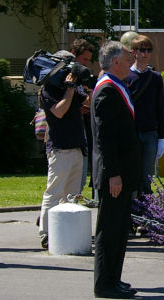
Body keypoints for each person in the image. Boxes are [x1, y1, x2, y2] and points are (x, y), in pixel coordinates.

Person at [91, 41, 141, 299]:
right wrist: (113, 173)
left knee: (120, 230)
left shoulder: (118, 86)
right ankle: (104, 283)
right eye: (126, 56)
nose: (132, 60)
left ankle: (114, 278)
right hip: (114, 174)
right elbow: (105, 138)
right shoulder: (107, 91)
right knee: (109, 230)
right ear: (115, 63)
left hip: (122, 171)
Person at [37, 51, 88, 249]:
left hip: (77, 146)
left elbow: (87, 101)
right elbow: (58, 111)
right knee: (55, 191)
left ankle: (68, 232)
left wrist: (83, 84)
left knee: (72, 194)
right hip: (59, 148)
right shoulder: (48, 88)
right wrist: (69, 89)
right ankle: (47, 233)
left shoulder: (72, 87)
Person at [124, 35, 164, 194]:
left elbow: (160, 108)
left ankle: (146, 212)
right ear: (134, 52)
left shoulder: (155, 77)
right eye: (142, 50)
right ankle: (132, 212)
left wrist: (161, 137)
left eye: (149, 50)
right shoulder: (127, 76)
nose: (145, 54)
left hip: (150, 132)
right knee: (131, 174)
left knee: (146, 177)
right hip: (131, 131)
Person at [70, 38, 97, 194]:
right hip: (66, 136)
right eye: (84, 59)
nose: (86, 63)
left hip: (81, 131)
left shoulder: (82, 79)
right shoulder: (65, 76)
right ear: (74, 54)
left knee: (78, 180)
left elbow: (86, 103)